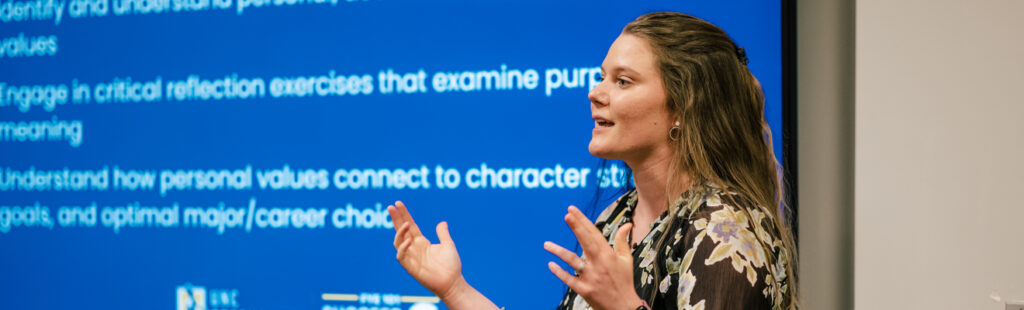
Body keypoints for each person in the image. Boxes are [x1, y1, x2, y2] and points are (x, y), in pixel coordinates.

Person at [386, 12, 798, 310]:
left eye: (622, 81)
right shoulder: (619, 217)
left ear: (683, 108)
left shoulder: (725, 229)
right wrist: (455, 290)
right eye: (601, 76)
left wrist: (624, 307)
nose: (595, 92)